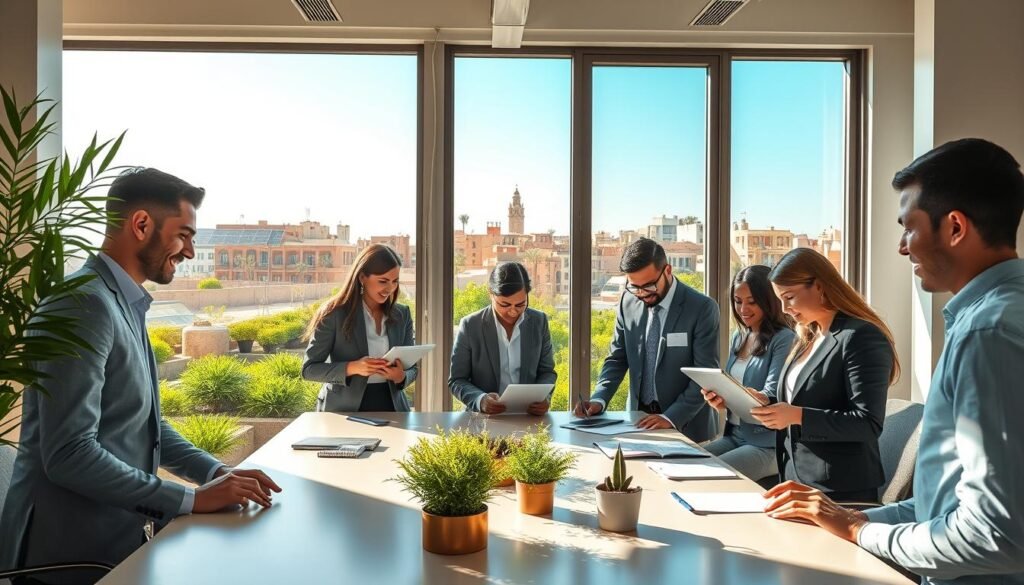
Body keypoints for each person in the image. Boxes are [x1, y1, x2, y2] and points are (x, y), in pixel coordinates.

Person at [0, 168, 281, 584]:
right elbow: (69, 454)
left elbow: (146, 424)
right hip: (65, 560)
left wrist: (215, 473)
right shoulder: (82, 304)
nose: (190, 251)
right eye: (183, 235)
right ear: (142, 224)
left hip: (112, 547)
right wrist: (189, 499)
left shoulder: (121, 302)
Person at [763, 138, 1024, 584]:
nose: (903, 247)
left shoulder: (988, 333)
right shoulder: (987, 320)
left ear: (955, 228)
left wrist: (858, 530)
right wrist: (851, 519)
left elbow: (997, 534)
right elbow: (943, 504)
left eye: (909, 228)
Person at [753, 247, 898, 502]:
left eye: (789, 297)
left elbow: (867, 423)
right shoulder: (809, 336)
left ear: (819, 286)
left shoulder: (860, 336)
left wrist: (796, 415)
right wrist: (766, 403)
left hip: (840, 492)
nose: (784, 309)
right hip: (795, 480)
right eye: (780, 300)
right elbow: (808, 399)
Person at [576, 237, 720, 439]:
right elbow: (617, 359)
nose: (642, 293)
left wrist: (670, 418)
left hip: (688, 427)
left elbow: (704, 375)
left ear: (667, 271)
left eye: (649, 285)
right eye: (634, 286)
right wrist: (599, 399)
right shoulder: (627, 301)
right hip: (638, 422)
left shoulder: (702, 308)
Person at [701, 265, 795, 482]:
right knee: (688, 463)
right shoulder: (740, 335)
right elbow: (733, 384)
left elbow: (772, 393)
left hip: (766, 443)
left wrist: (751, 396)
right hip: (734, 434)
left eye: (752, 302)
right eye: (737, 301)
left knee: (709, 476)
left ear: (769, 300)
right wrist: (720, 398)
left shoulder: (784, 338)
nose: (743, 309)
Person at [303, 243, 417, 412]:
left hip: (392, 407)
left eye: (395, 281)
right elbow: (309, 370)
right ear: (362, 277)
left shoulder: (402, 314)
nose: (390, 288)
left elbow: (413, 368)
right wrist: (353, 367)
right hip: (344, 409)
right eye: (383, 281)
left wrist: (402, 376)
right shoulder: (333, 313)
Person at [449, 262, 556, 414]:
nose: (513, 311)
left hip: (528, 417)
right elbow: (457, 380)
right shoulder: (470, 325)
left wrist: (545, 398)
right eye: (505, 305)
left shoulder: (539, 322)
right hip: (483, 418)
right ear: (490, 293)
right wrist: (480, 400)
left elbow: (547, 372)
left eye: (520, 304)